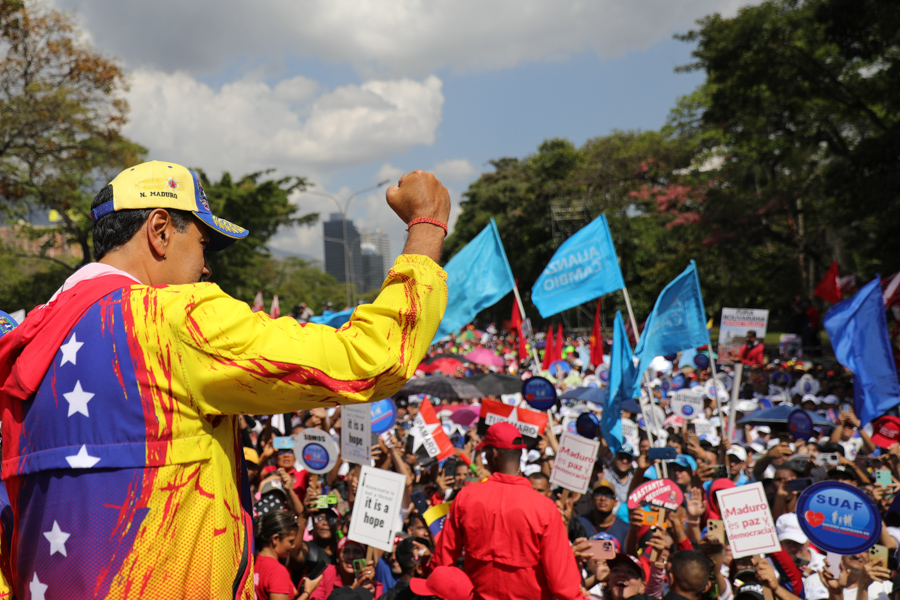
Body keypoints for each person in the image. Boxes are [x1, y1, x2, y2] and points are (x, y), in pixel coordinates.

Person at [0, 161, 450, 598]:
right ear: (159, 231)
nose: (207, 268)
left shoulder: (27, 341)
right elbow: (372, 358)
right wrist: (426, 225)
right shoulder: (174, 321)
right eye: (203, 245)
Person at [431, 422, 585, 600]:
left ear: (493, 454)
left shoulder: (466, 497)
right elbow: (563, 585)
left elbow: (442, 562)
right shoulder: (545, 508)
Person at [254, 510, 322, 600]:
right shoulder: (277, 572)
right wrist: (307, 592)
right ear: (275, 539)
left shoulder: (256, 560)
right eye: (290, 541)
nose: (293, 546)